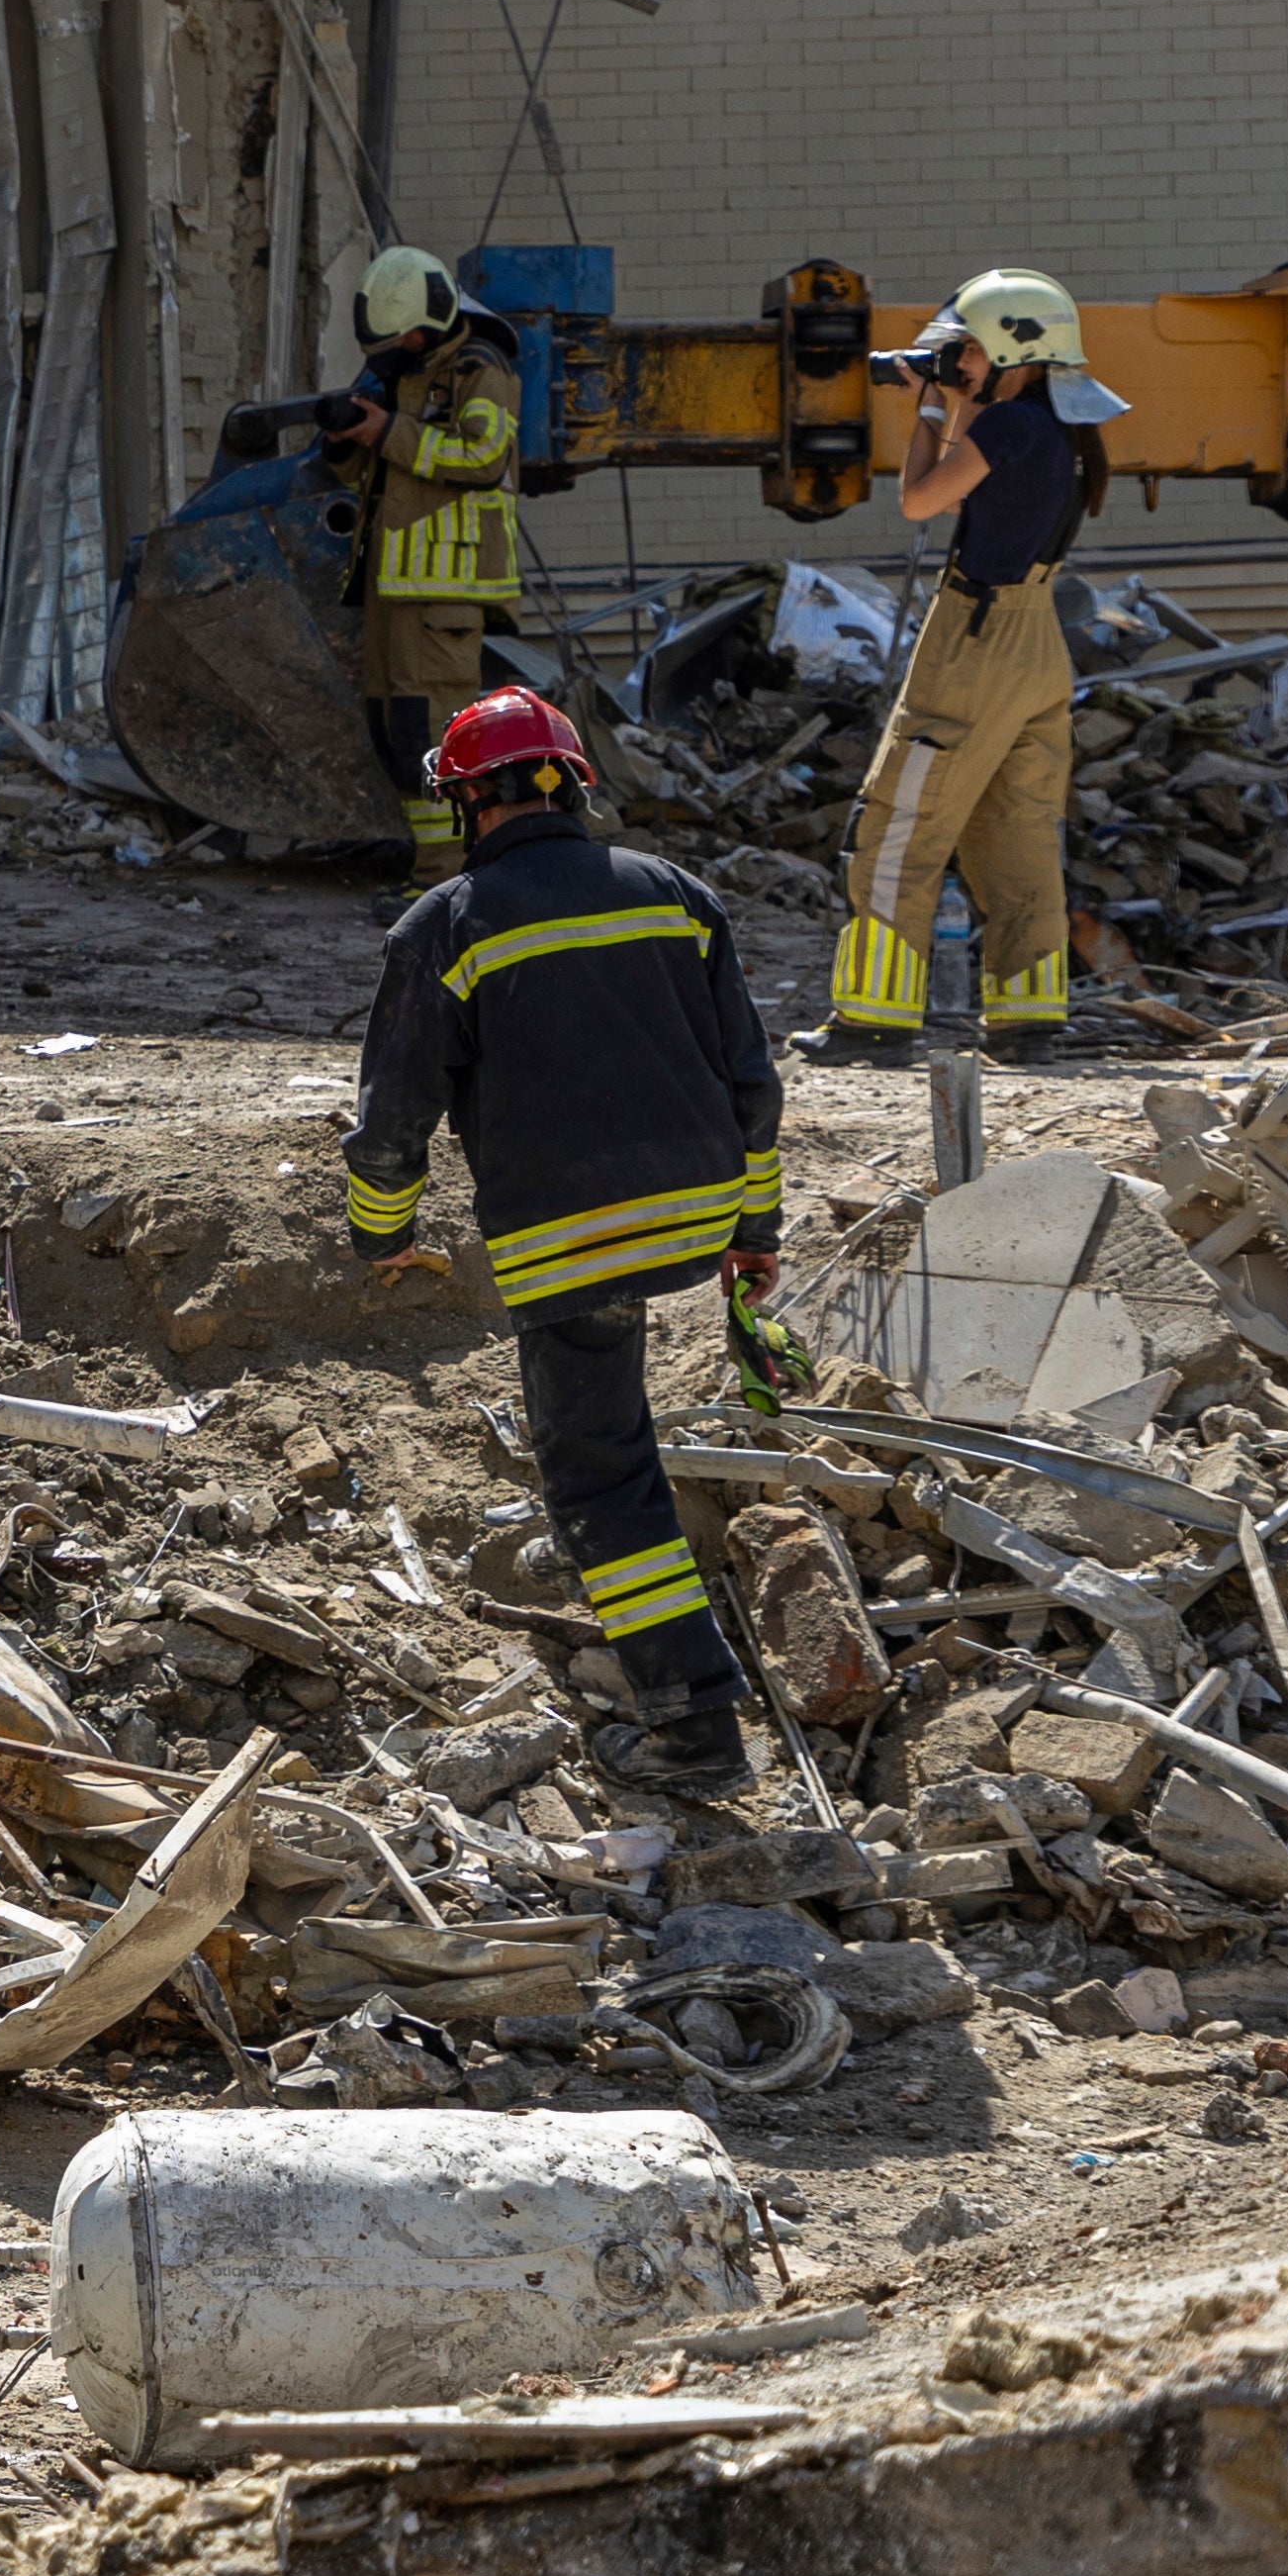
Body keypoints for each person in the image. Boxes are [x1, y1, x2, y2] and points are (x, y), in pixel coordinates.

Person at [343, 686, 791, 1797]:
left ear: (466, 803)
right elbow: (751, 1079)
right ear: (574, 785)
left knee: (603, 1480)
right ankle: (599, 1568)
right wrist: (753, 1231)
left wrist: (380, 1238)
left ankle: (695, 1727)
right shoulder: (677, 895)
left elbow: (393, 1115)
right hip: (695, 1205)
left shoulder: (444, 925)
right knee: (611, 1431)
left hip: (572, 1232)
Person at [814, 267, 1116, 1065]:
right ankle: (1028, 1022)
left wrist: (927, 406)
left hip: (975, 638)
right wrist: (958, 402)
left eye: (966, 350)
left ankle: (873, 1021)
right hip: (1038, 642)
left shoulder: (1008, 427)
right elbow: (965, 496)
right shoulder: (1058, 429)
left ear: (1013, 348)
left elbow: (920, 500)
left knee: (900, 823)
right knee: (1014, 832)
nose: (957, 362)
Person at [325, 245, 526, 888]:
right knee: (395, 732)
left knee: (435, 734)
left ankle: (449, 879)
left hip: (446, 587)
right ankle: (432, 868)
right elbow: (383, 475)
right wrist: (348, 442)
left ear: (431, 322)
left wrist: (389, 431)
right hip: (395, 584)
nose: (395, 347)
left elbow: (485, 456)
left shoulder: (478, 369)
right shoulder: (405, 378)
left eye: (403, 335)